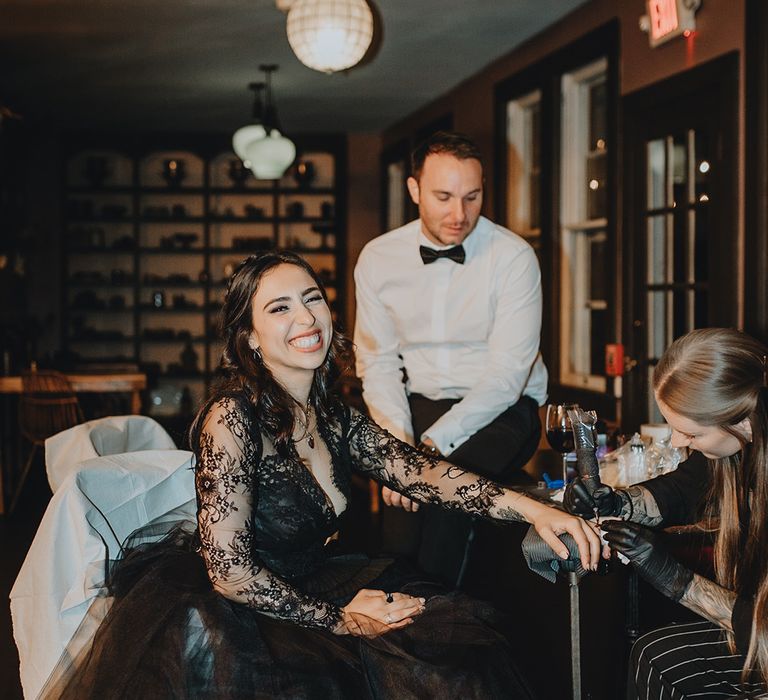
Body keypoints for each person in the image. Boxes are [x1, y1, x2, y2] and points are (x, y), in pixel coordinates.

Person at [49, 251, 601, 699]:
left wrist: (534, 508)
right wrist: (343, 620)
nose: (306, 319)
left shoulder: (330, 412)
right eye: (280, 308)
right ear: (250, 339)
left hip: (316, 580)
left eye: (312, 299)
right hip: (245, 608)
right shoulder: (233, 418)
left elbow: (421, 472)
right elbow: (231, 572)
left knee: (462, 661)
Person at [354, 130, 548, 586]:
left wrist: (428, 452)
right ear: (414, 189)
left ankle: (445, 636)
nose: (459, 214)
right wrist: (396, 448)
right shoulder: (378, 259)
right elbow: (378, 362)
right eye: (443, 196)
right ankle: (397, 636)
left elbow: (506, 376)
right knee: (399, 530)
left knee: (447, 496)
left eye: (472, 197)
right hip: (417, 405)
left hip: (503, 410)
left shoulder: (513, 258)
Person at [564, 327, 768, 699]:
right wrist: (616, 503)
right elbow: (678, 490)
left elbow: (762, 628)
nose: (677, 442)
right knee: (653, 654)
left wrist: (675, 580)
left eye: (691, 434)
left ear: (742, 421)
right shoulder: (737, 448)